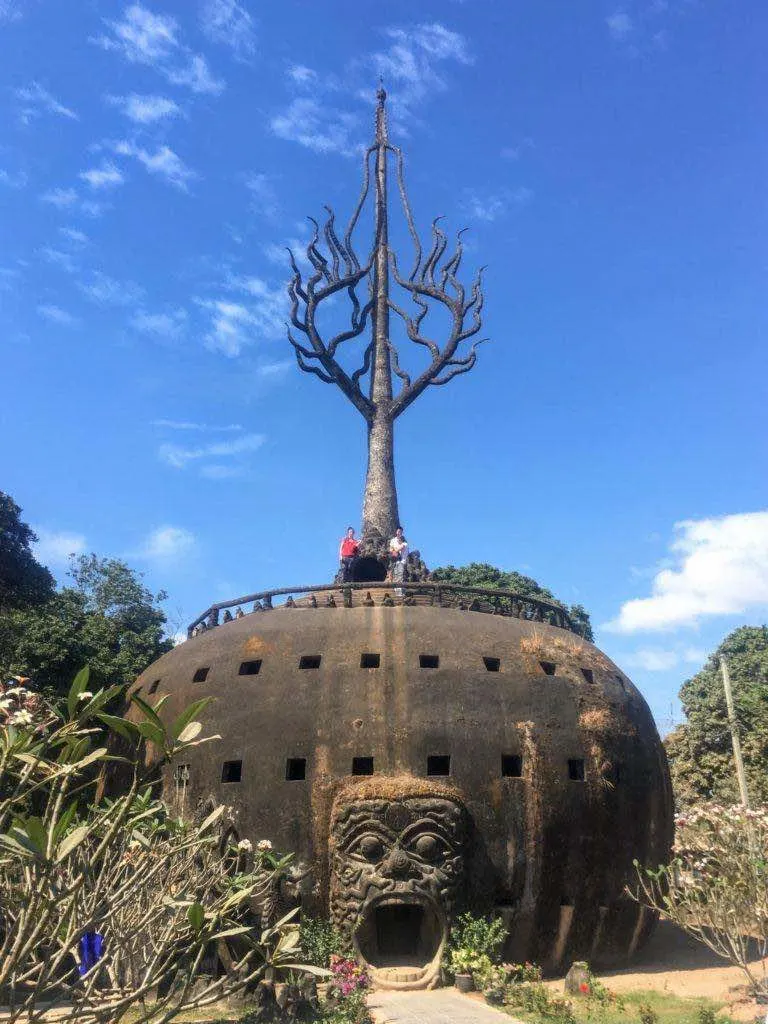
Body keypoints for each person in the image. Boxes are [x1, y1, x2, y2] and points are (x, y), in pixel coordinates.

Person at [388, 526, 408, 596]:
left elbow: (398, 549)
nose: (399, 533)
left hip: (402, 561)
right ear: (396, 532)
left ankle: (400, 593)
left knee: (400, 575)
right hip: (395, 560)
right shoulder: (393, 540)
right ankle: (396, 592)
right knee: (395, 575)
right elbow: (390, 550)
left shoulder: (405, 543)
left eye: (400, 532)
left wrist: (394, 549)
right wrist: (394, 551)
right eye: (398, 531)